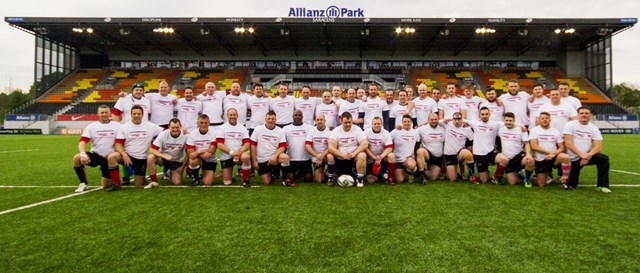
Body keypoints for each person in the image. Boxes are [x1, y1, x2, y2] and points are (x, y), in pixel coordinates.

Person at [107, 105, 163, 191]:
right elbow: (118, 144)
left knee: (138, 184)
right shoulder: (124, 127)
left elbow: (165, 131)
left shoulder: (150, 126)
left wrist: (182, 130)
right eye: (134, 114)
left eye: (139, 114)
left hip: (141, 158)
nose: (136, 115)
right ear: (131, 114)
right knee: (112, 157)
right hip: (127, 156)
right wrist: (124, 154)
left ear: (143, 114)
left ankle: (142, 177)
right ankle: (117, 184)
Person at [72, 105, 121, 192]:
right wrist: (83, 154)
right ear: (98, 114)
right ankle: (83, 183)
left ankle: (112, 178)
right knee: (77, 158)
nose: (104, 114)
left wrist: (116, 151)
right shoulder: (91, 126)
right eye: (102, 112)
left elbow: (122, 142)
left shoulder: (118, 126)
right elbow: (82, 142)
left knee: (106, 185)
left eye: (106, 112)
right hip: (96, 155)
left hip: (109, 158)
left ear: (110, 113)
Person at [563, 106, 611, 192]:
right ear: (578, 115)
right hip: (572, 159)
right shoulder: (570, 125)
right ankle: (563, 176)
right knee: (572, 184)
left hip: (586, 156)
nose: (584, 115)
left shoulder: (593, 128)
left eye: (586, 113)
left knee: (603, 158)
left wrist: (588, 155)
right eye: (581, 113)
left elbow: (598, 146)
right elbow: (568, 143)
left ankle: (602, 185)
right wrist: (582, 156)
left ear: (590, 115)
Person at [250, 111, 294, 186]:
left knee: (284, 157)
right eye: (269, 118)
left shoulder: (280, 131)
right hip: (261, 160)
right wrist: (254, 161)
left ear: (275, 120)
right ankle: (271, 173)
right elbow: (252, 145)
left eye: (272, 119)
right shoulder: (258, 129)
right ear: (265, 119)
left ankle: (285, 180)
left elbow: (282, 147)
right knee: (267, 182)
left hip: (274, 160)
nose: (270, 120)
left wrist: (275, 156)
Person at [529, 112, 572, 188]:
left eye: (546, 118)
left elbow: (562, 147)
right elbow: (534, 146)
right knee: (541, 185)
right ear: (539, 120)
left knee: (565, 157)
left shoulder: (555, 131)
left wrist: (554, 154)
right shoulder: (534, 130)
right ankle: (539, 176)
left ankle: (565, 181)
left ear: (550, 120)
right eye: (542, 118)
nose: (544, 120)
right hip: (540, 160)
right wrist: (550, 152)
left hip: (553, 158)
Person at [492, 112, 535, 187]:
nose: (508, 122)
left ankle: (527, 178)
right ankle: (520, 174)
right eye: (506, 120)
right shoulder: (501, 129)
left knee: (530, 161)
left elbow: (527, 143)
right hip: (507, 159)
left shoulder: (521, 130)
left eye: (510, 120)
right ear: (504, 121)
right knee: (512, 182)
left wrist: (528, 154)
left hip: (518, 157)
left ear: (514, 120)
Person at [328, 112, 368, 187]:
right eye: (345, 122)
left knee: (362, 155)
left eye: (350, 122)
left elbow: (365, 144)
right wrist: (342, 155)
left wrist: (354, 153)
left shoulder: (357, 129)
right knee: (329, 156)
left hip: (353, 158)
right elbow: (331, 147)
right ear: (341, 121)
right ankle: (331, 175)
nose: (348, 124)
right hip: (340, 159)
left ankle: (359, 179)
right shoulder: (335, 131)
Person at [145, 118, 187, 188]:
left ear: (180, 127)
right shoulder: (163, 134)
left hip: (176, 160)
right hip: (163, 158)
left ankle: (170, 173)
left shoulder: (186, 136)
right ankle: (154, 181)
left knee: (177, 182)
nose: (175, 129)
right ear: (169, 127)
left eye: (177, 127)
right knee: (150, 157)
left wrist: (182, 167)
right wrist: (164, 156)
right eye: (173, 127)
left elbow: (188, 153)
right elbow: (152, 150)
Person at [465, 107, 502, 184]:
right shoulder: (475, 123)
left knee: (504, 159)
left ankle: (496, 176)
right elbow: (460, 119)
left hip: (491, 152)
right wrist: (447, 120)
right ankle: (485, 171)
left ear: (489, 114)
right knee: (484, 180)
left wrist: (521, 127)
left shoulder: (495, 124)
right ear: (479, 115)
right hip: (479, 154)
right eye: (482, 114)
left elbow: (510, 123)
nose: (484, 116)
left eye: (486, 114)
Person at [216, 108, 252, 187]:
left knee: (246, 157)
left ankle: (245, 179)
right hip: (227, 156)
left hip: (239, 155)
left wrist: (239, 152)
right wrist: (232, 152)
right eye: (230, 115)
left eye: (234, 115)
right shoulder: (222, 128)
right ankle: (228, 175)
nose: (232, 116)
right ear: (227, 116)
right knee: (227, 182)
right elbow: (219, 144)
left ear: (237, 116)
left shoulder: (242, 128)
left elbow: (247, 143)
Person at [283, 110, 315, 183]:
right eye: (296, 115)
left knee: (309, 180)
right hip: (292, 160)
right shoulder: (286, 128)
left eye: (299, 115)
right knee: (290, 180)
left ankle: (300, 172)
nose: (298, 117)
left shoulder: (309, 128)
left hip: (305, 159)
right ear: (292, 117)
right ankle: (297, 172)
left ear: (302, 117)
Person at [186, 114, 218, 186]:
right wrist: (201, 153)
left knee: (208, 183)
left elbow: (212, 150)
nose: (203, 125)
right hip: (199, 159)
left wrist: (198, 152)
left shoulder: (214, 133)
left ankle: (204, 173)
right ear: (197, 123)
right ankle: (196, 178)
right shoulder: (192, 134)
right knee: (193, 159)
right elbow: (191, 153)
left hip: (210, 160)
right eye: (201, 123)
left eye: (205, 123)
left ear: (209, 123)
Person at [442, 112, 474, 182]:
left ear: (462, 119)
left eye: (459, 119)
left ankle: (472, 175)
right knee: (452, 179)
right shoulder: (447, 124)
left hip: (460, 153)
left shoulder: (467, 129)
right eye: (455, 119)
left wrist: (471, 152)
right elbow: (434, 120)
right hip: (449, 154)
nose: (457, 121)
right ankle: (456, 173)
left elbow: (471, 142)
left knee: (467, 153)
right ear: (452, 119)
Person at [364, 117, 396, 185]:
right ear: (372, 124)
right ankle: (382, 174)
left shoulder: (386, 133)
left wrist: (380, 157)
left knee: (391, 155)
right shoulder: (366, 132)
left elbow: (389, 148)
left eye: (378, 124)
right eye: (375, 124)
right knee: (371, 181)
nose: (376, 125)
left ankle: (390, 178)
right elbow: (364, 147)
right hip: (370, 159)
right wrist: (374, 157)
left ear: (382, 124)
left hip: (382, 158)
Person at [305, 114, 336, 184]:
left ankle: (330, 175)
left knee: (330, 157)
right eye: (318, 120)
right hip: (316, 156)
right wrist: (317, 156)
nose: (319, 121)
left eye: (321, 120)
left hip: (326, 155)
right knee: (319, 180)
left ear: (325, 121)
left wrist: (322, 156)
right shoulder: (311, 131)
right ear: (315, 121)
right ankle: (325, 173)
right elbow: (307, 146)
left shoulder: (330, 132)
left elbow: (331, 146)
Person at [389, 114, 420, 183]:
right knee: (400, 180)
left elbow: (417, 145)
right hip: (397, 160)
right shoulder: (396, 131)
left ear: (411, 122)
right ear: (402, 122)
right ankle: (405, 172)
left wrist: (416, 159)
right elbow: (386, 139)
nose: (406, 123)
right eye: (405, 121)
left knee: (411, 165)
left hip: (408, 159)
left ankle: (411, 172)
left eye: (408, 121)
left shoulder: (415, 132)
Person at [416, 113, 446, 181]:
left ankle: (419, 171)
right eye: (432, 120)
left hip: (438, 156)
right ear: (428, 120)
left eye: (435, 119)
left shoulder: (443, 129)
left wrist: (444, 161)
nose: (434, 121)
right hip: (428, 154)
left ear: (438, 120)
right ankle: (421, 175)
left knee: (433, 177)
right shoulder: (421, 129)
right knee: (420, 151)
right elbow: (411, 132)